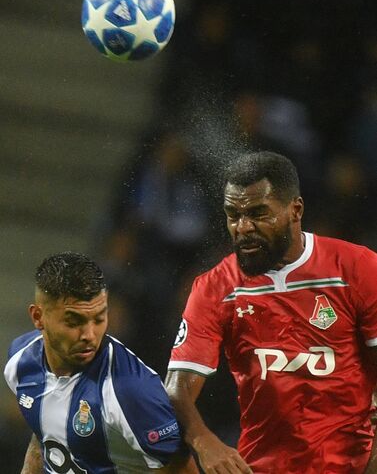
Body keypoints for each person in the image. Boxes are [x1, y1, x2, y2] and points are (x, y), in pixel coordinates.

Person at [165, 150, 377, 473]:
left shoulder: (357, 269)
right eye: (233, 215)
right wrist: (204, 440)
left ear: (296, 210)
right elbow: (177, 390)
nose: (243, 227)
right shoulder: (216, 288)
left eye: (258, 213)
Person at [3, 252, 198, 474]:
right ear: (38, 317)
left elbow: (181, 469)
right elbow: (43, 437)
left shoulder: (131, 391)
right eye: (73, 321)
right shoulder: (20, 361)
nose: (89, 335)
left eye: (98, 319)